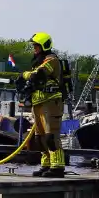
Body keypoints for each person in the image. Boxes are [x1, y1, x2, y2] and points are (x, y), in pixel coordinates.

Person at [19, 32, 66, 177]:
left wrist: (24, 75)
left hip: (51, 103)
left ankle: (57, 167)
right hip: (38, 104)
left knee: (51, 136)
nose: (34, 49)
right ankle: (46, 164)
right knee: (40, 138)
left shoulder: (52, 60)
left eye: (36, 46)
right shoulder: (39, 62)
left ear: (44, 46)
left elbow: (39, 74)